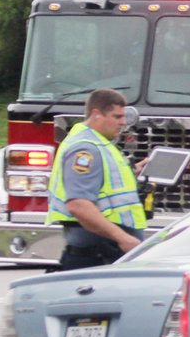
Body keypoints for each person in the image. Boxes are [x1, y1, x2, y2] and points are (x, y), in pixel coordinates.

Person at [46, 88, 146, 269]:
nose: (123, 122)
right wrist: (123, 238)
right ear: (96, 114)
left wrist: (134, 171)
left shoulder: (99, 143)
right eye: (117, 117)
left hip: (103, 255)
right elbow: (79, 204)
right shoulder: (86, 150)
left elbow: (107, 185)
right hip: (96, 258)